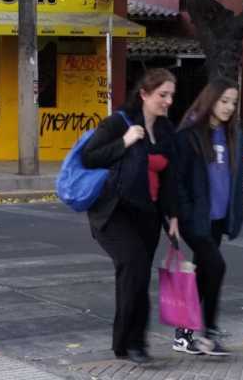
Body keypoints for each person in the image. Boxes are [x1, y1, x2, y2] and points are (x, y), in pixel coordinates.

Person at [80, 69, 180, 364]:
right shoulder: (118, 123)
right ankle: (134, 343)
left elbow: (170, 178)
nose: (168, 101)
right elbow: (89, 156)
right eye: (163, 95)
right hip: (114, 213)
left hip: (147, 216)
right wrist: (124, 142)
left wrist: (172, 215)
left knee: (135, 277)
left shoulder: (165, 131)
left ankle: (126, 344)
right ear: (145, 94)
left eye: (171, 95)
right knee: (134, 266)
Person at [171, 80, 243, 357]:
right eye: (224, 100)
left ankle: (185, 334)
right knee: (217, 266)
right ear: (210, 99)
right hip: (195, 218)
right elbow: (177, 180)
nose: (229, 107)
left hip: (218, 217)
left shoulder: (233, 135)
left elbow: (236, 178)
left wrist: (236, 211)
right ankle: (209, 333)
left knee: (206, 272)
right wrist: (180, 214)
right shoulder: (189, 135)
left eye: (233, 102)